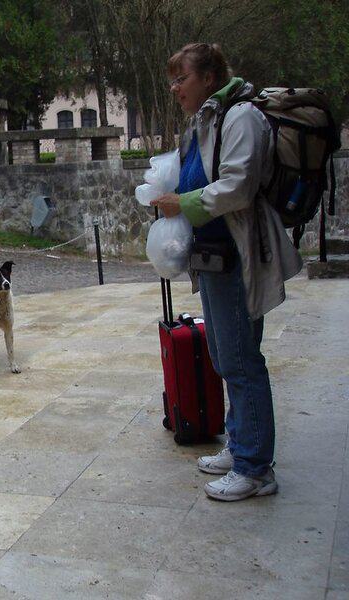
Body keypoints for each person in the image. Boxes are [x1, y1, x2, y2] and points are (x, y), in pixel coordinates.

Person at [151, 43, 302, 501]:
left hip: (237, 256)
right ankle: (241, 447)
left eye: (182, 78)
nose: (175, 88)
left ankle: (256, 468)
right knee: (223, 355)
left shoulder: (241, 118)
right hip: (212, 256)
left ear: (210, 78)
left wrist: (183, 203)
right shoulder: (205, 119)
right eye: (173, 80)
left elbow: (237, 186)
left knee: (241, 361)